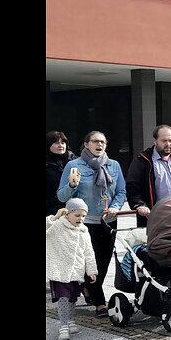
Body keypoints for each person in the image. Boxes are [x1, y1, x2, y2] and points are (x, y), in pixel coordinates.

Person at [57, 131, 127, 318]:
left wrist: (115, 206)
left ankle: (88, 287)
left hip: (108, 221)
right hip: (85, 223)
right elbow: (61, 196)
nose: (100, 144)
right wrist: (72, 185)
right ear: (86, 144)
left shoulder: (113, 165)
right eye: (96, 141)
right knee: (91, 262)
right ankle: (100, 302)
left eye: (103, 142)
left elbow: (121, 191)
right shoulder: (74, 166)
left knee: (103, 263)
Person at [126, 125, 171, 228]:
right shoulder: (142, 160)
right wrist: (139, 204)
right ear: (155, 141)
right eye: (164, 141)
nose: (168, 144)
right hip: (155, 217)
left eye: (170, 140)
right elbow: (132, 186)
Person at [46, 198, 97, 340]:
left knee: (73, 298)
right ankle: (63, 326)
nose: (80, 218)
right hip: (59, 269)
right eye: (77, 215)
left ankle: (70, 320)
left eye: (83, 216)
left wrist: (91, 270)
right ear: (67, 214)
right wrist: (55, 217)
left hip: (76, 270)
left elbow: (89, 252)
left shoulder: (84, 231)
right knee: (63, 297)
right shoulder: (57, 225)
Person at [45, 131, 75, 216]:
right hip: (51, 211)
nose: (60, 145)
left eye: (63, 143)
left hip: (74, 211)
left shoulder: (75, 162)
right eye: (56, 143)